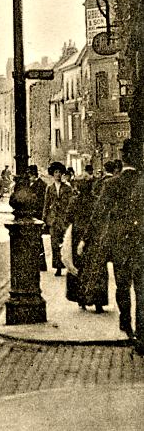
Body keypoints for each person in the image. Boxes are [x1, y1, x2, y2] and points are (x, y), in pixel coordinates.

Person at [78, 139, 144, 353]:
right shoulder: (142, 182)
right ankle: (142, 333)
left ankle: (126, 324)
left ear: (123, 159)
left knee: (122, 285)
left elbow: (98, 215)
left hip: (119, 244)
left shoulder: (111, 184)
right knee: (141, 288)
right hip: (141, 243)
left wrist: (84, 239)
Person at [64, 168, 109, 312]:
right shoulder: (97, 201)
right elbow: (102, 218)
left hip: (78, 235)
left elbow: (68, 217)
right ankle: (98, 301)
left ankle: (81, 299)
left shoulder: (74, 201)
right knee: (97, 267)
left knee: (79, 267)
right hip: (95, 236)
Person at [42, 161, 73, 275]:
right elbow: (46, 204)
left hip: (64, 219)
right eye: (56, 172)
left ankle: (67, 265)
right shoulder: (49, 188)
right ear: (52, 174)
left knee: (65, 243)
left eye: (60, 172)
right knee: (54, 244)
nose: (58, 174)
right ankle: (58, 267)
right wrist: (44, 219)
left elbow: (70, 203)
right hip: (53, 219)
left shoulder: (67, 188)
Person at [27, 164, 48, 271]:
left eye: (30, 175)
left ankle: (41, 264)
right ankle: (38, 263)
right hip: (32, 215)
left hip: (37, 215)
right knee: (34, 239)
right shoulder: (33, 185)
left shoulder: (41, 185)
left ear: (33, 175)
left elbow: (42, 202)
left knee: (37, 240)